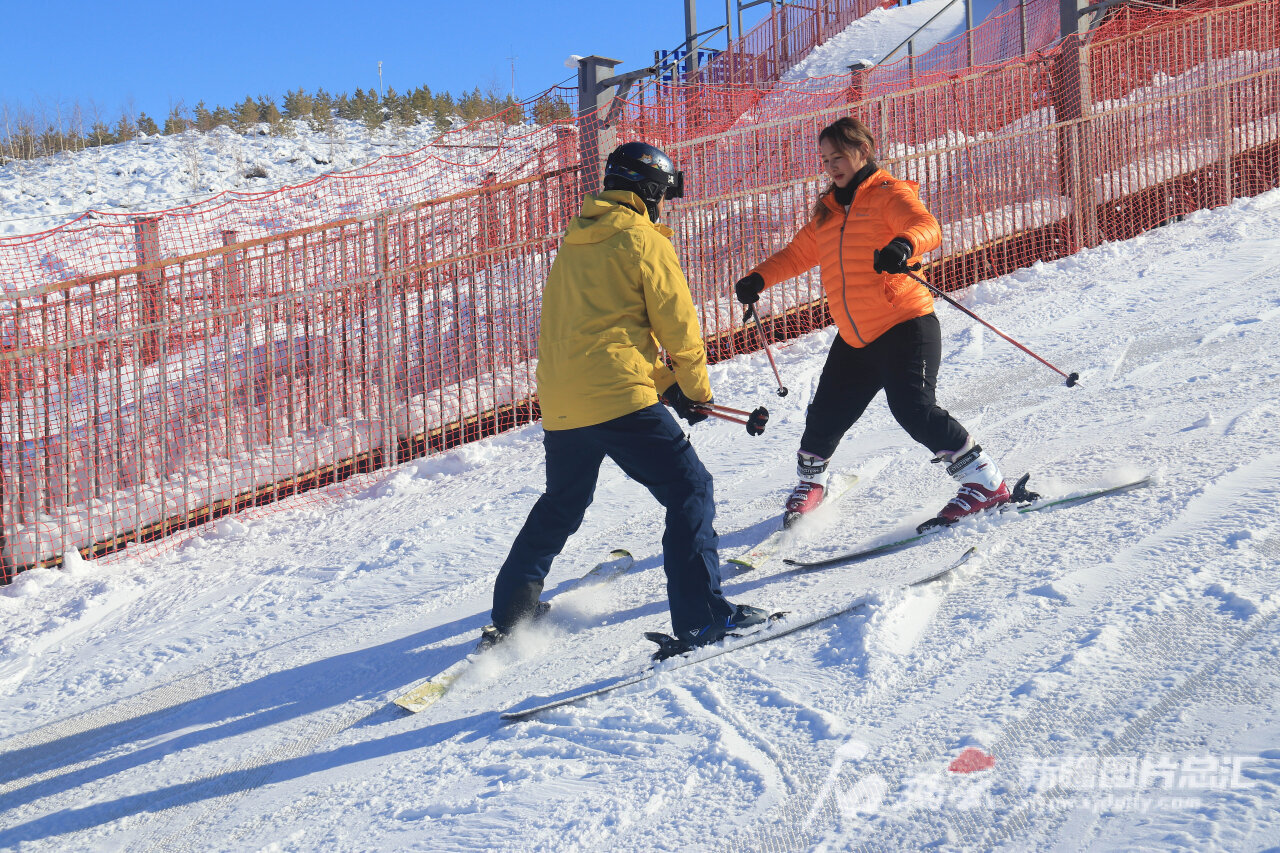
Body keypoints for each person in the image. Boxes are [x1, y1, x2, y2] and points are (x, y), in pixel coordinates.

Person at [487, 141, 766, 650]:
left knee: (563, 502)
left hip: (564, 400)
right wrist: (694, 389)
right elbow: (678, 328)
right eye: (664, 194)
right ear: (650, 192)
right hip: (617, 396)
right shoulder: (644, 239)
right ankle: (704, 618)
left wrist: (665, 387)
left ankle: (512, 611)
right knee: (690, 490)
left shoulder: (575, 242)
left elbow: (601, 335)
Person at [733, 117, 1011, 531]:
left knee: (914, 409)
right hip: (855, 335)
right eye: (825, 159)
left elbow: (928, 227)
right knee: (825, 415)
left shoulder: (887, 193)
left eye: (839, 156)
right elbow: (796, 255)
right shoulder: (827, 212)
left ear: (863, 151)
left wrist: (902, 244)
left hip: (904, 323)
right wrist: (758, 278)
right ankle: (812, 484)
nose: (831, 165)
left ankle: (985, 483)